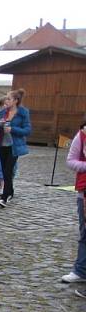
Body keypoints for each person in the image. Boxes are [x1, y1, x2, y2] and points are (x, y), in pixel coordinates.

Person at [0, 88, 31, 207]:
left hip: (14, 146)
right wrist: (0, 125)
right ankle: (10, 191)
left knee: (8, 170)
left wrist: (13, 129)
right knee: (4, 170)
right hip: (2, 145)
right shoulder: (2, 113)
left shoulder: (23, 113)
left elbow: (27, 130)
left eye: (9, 98)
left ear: (15, 101)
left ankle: (5, 196)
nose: (6, 101)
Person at [63, 116, 86, 284]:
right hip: (85, 190)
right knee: (85, 232)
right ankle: (81, 270)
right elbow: (70, 161)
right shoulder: (82, 135)